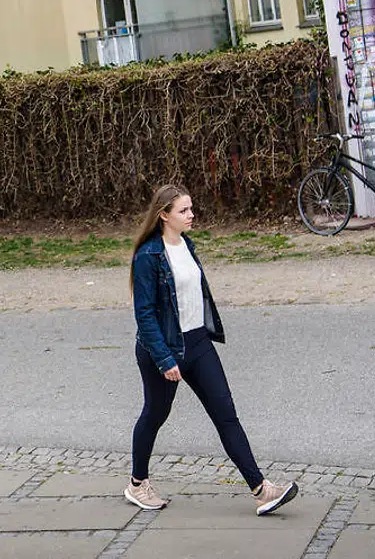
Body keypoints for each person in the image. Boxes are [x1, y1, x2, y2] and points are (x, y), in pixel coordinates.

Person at [123, 184, 298, 515]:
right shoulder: (148, 256)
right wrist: (163, 358)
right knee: (156, 414)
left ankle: (262, 490)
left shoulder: (186, 244)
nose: (191, 215)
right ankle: (137, 484)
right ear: (164, 215)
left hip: (198, 343)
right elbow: (144, 314)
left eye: (191, 208)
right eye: (183, 211)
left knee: (226, 414)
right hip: (164, 349)